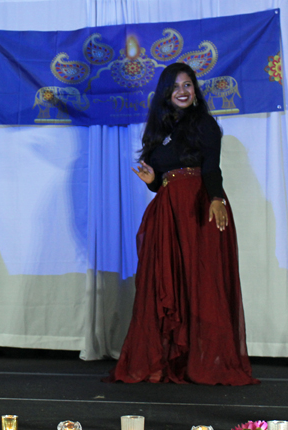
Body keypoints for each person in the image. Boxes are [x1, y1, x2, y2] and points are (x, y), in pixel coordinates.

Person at [105, 63, 258, 385]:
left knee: (201, 281)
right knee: (166, 283)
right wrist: (151, 182)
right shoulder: (158, 129)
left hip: (199, 208)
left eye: (188, 85)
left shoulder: (204, 124)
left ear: (195, 89)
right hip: (167, 213)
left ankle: (203, 362)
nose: (183, 91)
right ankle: (167, 359)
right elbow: (161, 180)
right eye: (176, 87)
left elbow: (211, 168)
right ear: (165, 93)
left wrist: (216, 199)